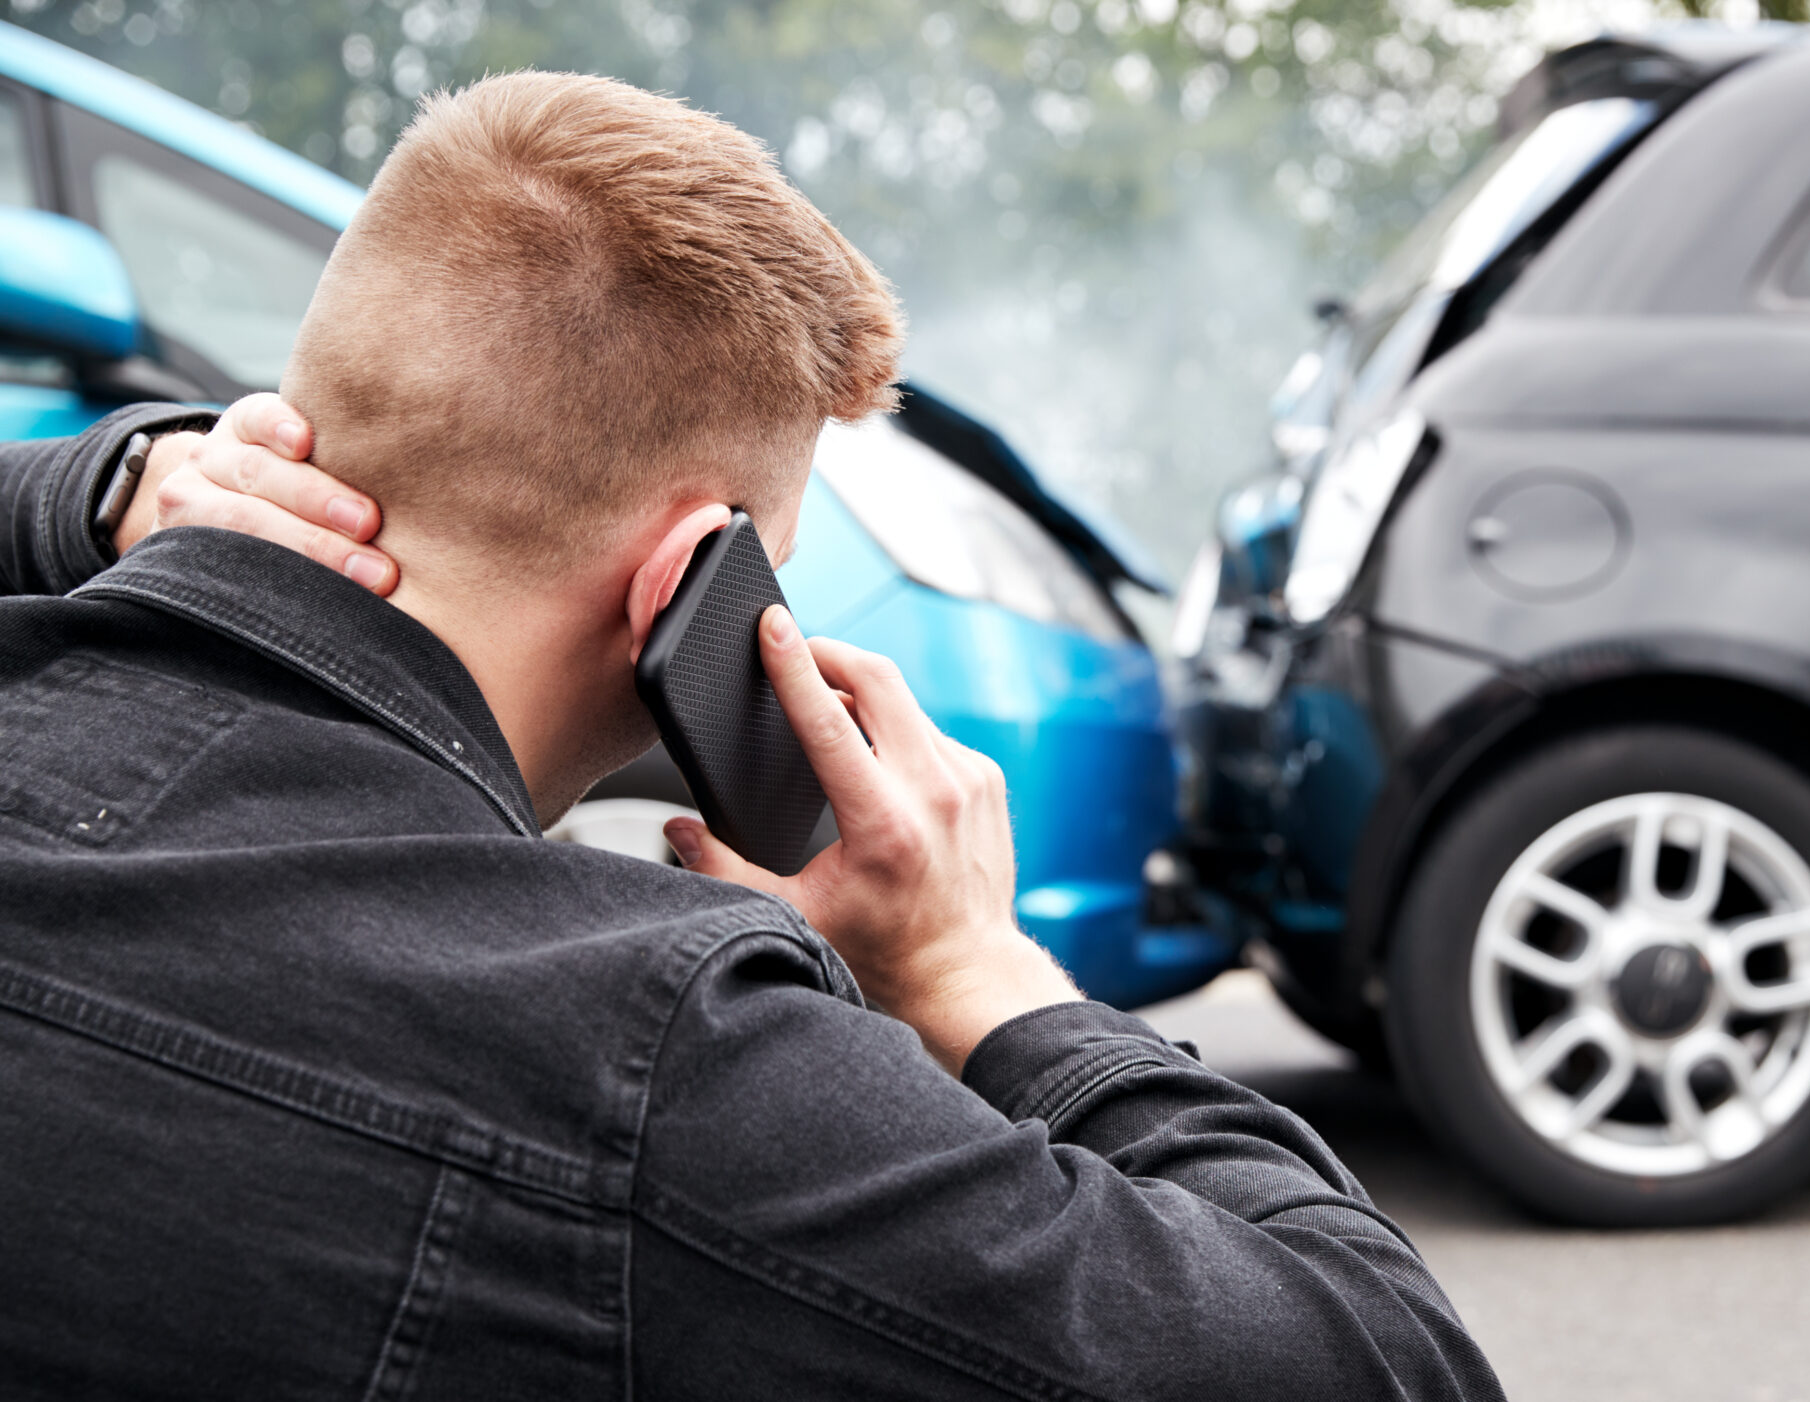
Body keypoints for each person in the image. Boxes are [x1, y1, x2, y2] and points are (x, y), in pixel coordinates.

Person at [0, 72, 1502, 1400]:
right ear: (689, 587)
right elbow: (1382, 1361)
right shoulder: (648, 1048)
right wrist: (980, 973)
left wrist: (88, 493)